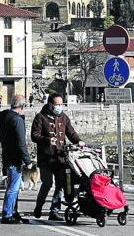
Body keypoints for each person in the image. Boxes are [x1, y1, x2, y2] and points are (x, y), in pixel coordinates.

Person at [31, 93, 84, 221]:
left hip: (60, 157)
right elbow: (34, 135)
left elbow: (71, 132)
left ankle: (54, 211)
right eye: (57, 104)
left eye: (61, 104)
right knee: (47, 183)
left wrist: (79, 141)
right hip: (46, 158)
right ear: (50, 104)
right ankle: (39, 206)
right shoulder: (40, 117)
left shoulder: (64, 117)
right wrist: (47, 140)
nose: (60, 107)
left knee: (60, 184)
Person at [0, 95, 32, 224]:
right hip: (14, 158)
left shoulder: (5, 117)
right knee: (13, 187)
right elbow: (21, 142)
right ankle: (7, 214)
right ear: (22, 106)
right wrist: (27, 160)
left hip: (7, 155)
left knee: (14, 186)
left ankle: (14, 212)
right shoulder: (17, 121)